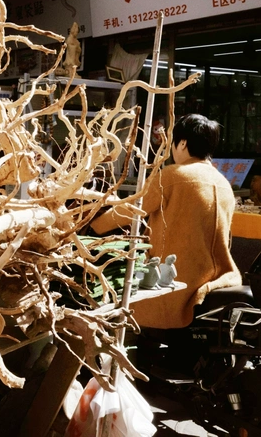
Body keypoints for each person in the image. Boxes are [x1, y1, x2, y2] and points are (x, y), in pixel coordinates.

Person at [90, 113, 241, 329]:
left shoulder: (172, 175)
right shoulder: (224, 183)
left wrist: (93, 225)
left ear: (183, 143)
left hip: (173, 285)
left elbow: (131, 210)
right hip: (215, 279)